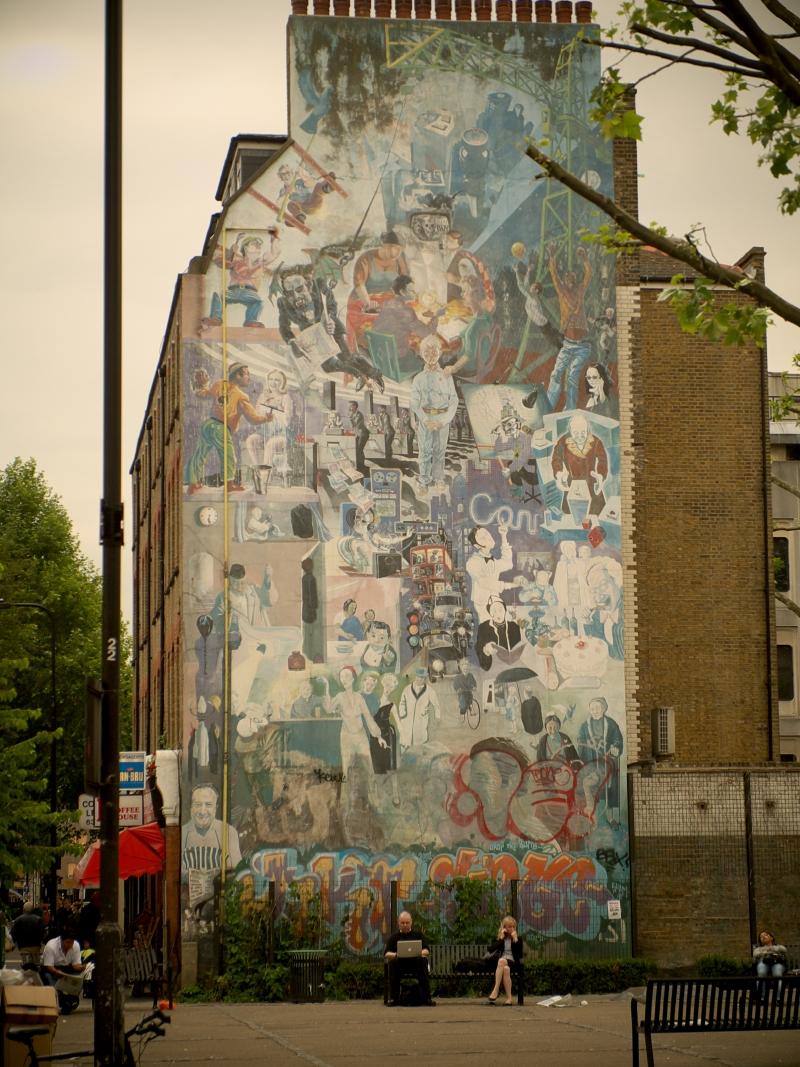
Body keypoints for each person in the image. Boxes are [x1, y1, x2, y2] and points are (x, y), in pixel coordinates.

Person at [186, 362, 273, 493]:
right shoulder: (241, 396)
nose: (249, 377)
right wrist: (266, 418)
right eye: (247, 374)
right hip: (221, 428)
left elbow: (203, 394)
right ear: (238, 375)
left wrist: (200, 385)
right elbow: (253, 419)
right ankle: (229, 484)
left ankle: (193, 484)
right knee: (228, 456)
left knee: (200, 454)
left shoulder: (219, 384)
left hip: (208, 424)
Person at [546, 243, 593, 412]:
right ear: (565, 280)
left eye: (572, 277)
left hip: (582, 347)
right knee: (556, 374)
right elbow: (554, 274)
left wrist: (585, 259)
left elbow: (588, 275)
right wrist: (552, 256)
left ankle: (570, 410)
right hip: (567, 344)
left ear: (575, 279)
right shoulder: (562, 291)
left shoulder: (580, 291)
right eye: (567, 278)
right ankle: (548, 406)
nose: (570, 279)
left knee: (572, 377)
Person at [409, 335, 459, 491]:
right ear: (421, 354)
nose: (430, 356)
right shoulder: (418, 379)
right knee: (424, 451)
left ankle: (438, 479)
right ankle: (424, 480)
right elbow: (414, 403)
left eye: (434, 352)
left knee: (439, 451)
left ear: (440, 353)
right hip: (425, 419)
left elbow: (454, 400)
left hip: (442, 419)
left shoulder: (447, 377)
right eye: (426, 352)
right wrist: (425, 420)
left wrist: (443, 421)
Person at [181, 783, 242, 908]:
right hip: (188, 906)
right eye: (197, 804)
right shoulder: (182, 833)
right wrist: (188, 877)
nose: (202, 811)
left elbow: (237, 870)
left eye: (208, 805)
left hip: (221, 905)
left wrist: (215, 876)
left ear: (215, 808)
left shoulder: (228, 832)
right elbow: (173, 873)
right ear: (191, 807)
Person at [551, 412, 608, 517]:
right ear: (570, 431)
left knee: (595, 515)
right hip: (572, 486)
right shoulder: (563, 442)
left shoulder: (596, 442)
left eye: (583, 432)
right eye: (576, 433)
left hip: (591, 485)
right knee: (572, 516)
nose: (580, 436)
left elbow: (603, 460)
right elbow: (556, 458)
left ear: (587, 430)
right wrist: (559, 475)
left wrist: (600, 476)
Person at [465, 524, 515, 622]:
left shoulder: (493, 560)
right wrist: (509, 585)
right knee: (489, 627)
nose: (488, 537)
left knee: (509, 623)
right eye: (482, 537)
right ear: (477, 545)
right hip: (482, 603)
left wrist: (503, 536)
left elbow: (508, 563)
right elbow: (484, 582)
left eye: (487, 533)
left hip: (496, 600)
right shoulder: (472, 563)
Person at [384, 910, 434, 1006]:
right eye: (402, 923)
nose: (405, 925)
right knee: (392, 963)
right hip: (400, 966)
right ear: (398, 923)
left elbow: (427, 950)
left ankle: (427, 999)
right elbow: (386, 953)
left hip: (416, 965)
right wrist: (396, 955)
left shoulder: (418, 935)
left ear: (411, 922)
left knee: (423, 961)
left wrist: (418, 953)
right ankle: (394, 999)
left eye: (407, 923)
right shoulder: (394, 937)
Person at [41, 925, 85, 1013]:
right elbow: (49, 966)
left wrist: (82, 967)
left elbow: (76, 964)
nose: (70, 945)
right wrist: (56, 972)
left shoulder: (75, 945)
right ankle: (59, 999)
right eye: (67, 942)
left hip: (67, 969)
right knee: (53, 985)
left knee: (79, 979)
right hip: (51, 969)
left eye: (71, 942)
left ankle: (72, 998)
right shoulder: (51, 946)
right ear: (61, 940)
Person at [475, 596, 523, 672]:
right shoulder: (483, 628)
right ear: (490, 613)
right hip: (492, 669)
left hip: (511, 668)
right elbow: (479, 651)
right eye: (494, 611)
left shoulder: (514, 627)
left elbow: (517, 651)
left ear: (505, 610)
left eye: (500, 610)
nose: (498, 614)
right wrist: (486, 651)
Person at [396, 669, 441, 749]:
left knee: (419, 745)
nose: (421, 679)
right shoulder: (407, 689)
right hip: (407, 720)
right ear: (416, 677)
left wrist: (437, 717)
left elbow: (436, 705)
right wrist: (403, 714)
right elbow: (402, 702)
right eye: (419, 677)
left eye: (423, 678)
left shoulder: (430, 690)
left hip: (421, 720)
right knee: (406, 743)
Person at [486, 915, 523, 1005]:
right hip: (502, 965)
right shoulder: (501, 938)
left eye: (513, 926)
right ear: (504, 928)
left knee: (501, 961)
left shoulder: (518, 939)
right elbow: (490, 949)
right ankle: (509, 999)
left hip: (513, 962)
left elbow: (520, 955)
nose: (512, 929)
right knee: (506, 969)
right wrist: (501, 939)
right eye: (509, 926)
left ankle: (496, 989)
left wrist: (515, 939)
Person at [10, 901, 45, 972]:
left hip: (23, 946)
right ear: (32, 909)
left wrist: (16, 943)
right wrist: (40, 942)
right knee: (36, 965)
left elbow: (13, 933)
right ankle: (36, 976)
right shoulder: (38, 919)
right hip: (36, 946)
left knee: (25, 966)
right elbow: (42, 933)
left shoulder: (17, 920)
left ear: (23, 909)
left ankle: (26, 976)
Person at [753, 930, 788, 1001]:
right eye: (761, 937)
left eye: (765, 935)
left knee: (777, 974)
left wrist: (771, 948)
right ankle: (762, 998)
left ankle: (778, 999)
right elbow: (755, 954)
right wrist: (767, 951)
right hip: (764, 962)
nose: (763, 937)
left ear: (771, 938)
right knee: (761, 974)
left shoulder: (778, 946)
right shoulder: (758, 949)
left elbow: (784, 949)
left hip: (776, 963)